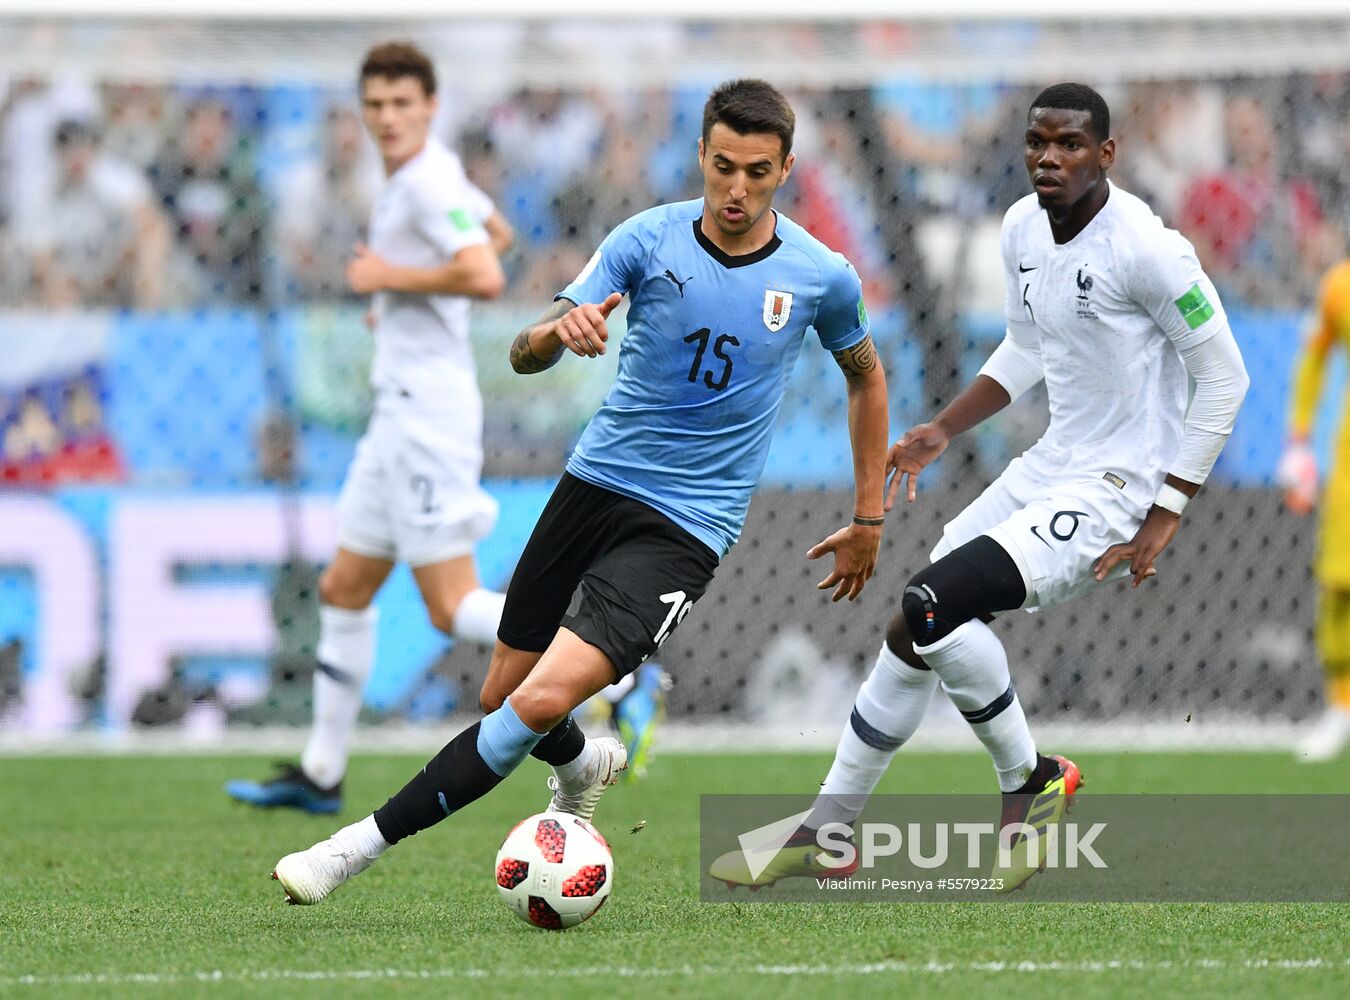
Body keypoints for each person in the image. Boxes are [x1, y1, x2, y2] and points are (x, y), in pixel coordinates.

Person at [270, 78, 889, 905]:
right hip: (593, 485)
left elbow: (867, 378)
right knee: (502, 695)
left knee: (533, 701)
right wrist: (558, 335)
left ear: (785, 170)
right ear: (701, 154)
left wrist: (869, 514)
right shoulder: (646, 239)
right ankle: (584, 765)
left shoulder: (821, 276)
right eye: (723, 167)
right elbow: (528, 348)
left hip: (687, 525)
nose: (737, 190)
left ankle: (350, 850)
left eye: (758, 172)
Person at [712, 83, 1249, 892]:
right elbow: (1026, 348)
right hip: (1050, 464)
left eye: (1070, 144)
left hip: (1117, 485)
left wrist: (1166, 509)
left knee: (934, 603)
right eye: (1038, 142)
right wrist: (944, 429)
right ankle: (829, 828)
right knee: (911, 625)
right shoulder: (1020, 228)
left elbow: (1225, 378)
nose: (1049, 158)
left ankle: (1029, 779)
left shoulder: (1147, 248)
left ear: (1106, 154)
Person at [226, 42, 512, 814]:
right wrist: (405, 296)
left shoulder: (422, 183)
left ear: (430, 106)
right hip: (396, 416)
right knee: (344, 586)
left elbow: (487, 272)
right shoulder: (427, 178)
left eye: (401, 104)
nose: (386, 118)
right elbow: (499, 233)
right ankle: (321, 772)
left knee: (452, 607)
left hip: (428, 414)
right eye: (375, 105)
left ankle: (615, 669)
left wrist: (390, 278)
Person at [1278, 259, 1350, 761]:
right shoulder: (1339, 286)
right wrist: (1299, 441)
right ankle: (1341, 708)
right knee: (1339, 582)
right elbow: (1315, 356)